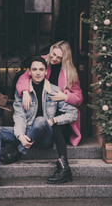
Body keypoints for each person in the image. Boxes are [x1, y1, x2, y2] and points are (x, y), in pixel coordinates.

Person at [0, 56, 77, 186]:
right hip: (26, 132)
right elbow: (19, 116)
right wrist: (20, 135)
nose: (38, 72)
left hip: (45, 136)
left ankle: (19, 151)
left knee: (41, 120)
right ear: (29, 72)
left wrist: (53, 120)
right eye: (34, 69)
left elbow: (73, 113)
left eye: (41, 69)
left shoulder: (54, 90)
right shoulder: (22, 92)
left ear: (46, 72)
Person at [16, 41, 83, 184]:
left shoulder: (71, 72)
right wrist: (25, 91)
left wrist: (65, 96)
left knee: (56, 127)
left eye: (59, 58)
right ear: (51, 50)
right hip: (47, 111)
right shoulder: (41, 62)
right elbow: (23, 78)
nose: (54, 59)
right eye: (53, 54)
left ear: (64, 58)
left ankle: (64, 168)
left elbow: (79, 98)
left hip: (64, 113)